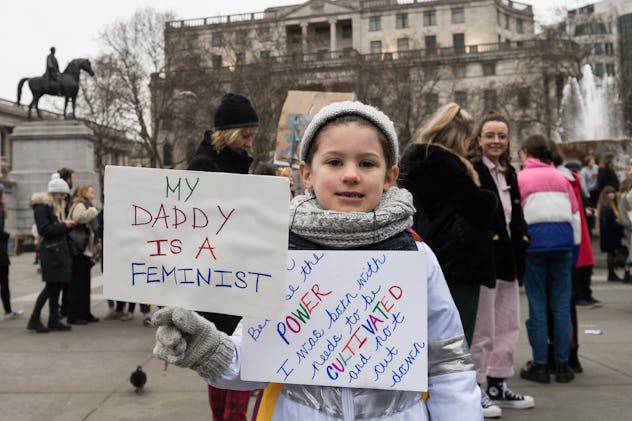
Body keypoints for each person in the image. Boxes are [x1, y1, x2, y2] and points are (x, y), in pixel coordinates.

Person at [153, 100, 482, 420]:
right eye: (335, 162)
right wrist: (205, 346)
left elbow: (448, 364)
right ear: (307, 173)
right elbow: (252, 361)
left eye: (367, 163)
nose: (351, 175)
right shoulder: (283, 257)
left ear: (389, 176)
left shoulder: (416, 256)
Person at [398, 103, 497, 348]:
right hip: (458, 263)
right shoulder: (451, 166)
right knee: (456, 341)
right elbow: (480, 209)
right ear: (460, 136)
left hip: (418, 257)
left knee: (421, 338)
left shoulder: (412, 161)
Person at [187, 93, 259, 421]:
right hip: (218, 281)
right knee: (227, 364)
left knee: (229, 364)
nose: (249, 142)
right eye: (245, 135)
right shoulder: (206, 166)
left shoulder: (229, 163)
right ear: (228, 133)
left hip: (233, 277)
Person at [467, 111, 533, 416]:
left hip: (509, 259)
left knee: (507, 324)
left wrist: (523, 235)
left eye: (501, 136)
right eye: (490, 135)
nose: (496, 141)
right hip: (485, 260)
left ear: (508, 141)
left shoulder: (510, 172)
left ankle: (497, 382)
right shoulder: (473, 170)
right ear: (479, 139)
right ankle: (476, 387)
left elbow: (515, 213)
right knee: (483, 328)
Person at [517, 134, 580, 384]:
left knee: (538, 304)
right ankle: (563, 365)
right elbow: (575, 217)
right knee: (562, 305)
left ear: (525, 153)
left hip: (534, 244)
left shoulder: (521, 178)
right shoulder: (562, 178)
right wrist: (573, 253)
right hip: (563, 243)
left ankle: (541, 364)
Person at [27, 174, 76, 333]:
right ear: (54, 193)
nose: (63, 198)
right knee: (50, 287)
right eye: (62, 195)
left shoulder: (52, 207)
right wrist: (64, 226)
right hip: (51, 253)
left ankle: (53, 319)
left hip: (57, 251)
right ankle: (34, 318)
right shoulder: (42, 207)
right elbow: (44, 230)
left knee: (56, 286)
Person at [67, 184, 99, 325]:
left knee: (84, 284)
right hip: (79, 250)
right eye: (91, 192)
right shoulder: (80, 204)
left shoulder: (85, 204)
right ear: (84, 193)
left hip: (84, 251)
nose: (93, 194)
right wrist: (92, 210)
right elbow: (78, 217)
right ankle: (75, 315)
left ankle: (85, 313)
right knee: (79, 285)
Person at [0, 183, 22, 319]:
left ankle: (8, 309)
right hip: (0, 253)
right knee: (4, 283)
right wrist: (10, 235)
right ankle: (8, 310)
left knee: (4, 283)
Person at [57, 167, 74, 317]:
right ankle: (64, 308)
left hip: (63, 240)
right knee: (62, 279)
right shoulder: (65, 198)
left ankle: (63, 307)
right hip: (63, 241)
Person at [598, 185, 624, 282]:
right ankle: (611, 273)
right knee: (611, 254)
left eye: (612, 192)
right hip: (610, 235)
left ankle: (611, 273)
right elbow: (612, 222)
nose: (611, 194)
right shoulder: (607, 207)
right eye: (608, 193)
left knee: (611, 254)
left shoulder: (605, 206)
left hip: (608, 234)